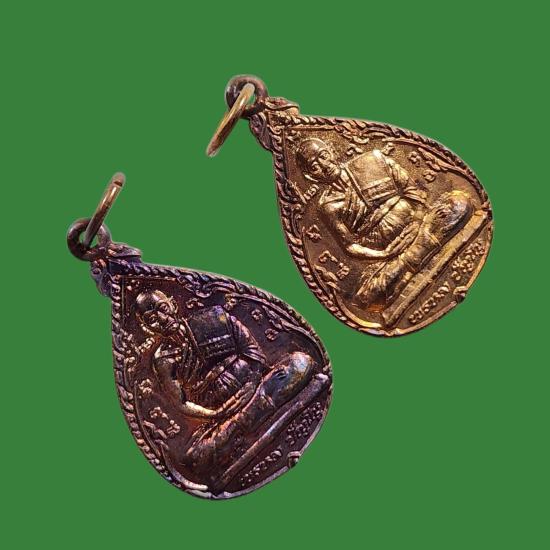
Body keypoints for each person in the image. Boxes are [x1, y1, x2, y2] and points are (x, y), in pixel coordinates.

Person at [135, 290, 314, 469]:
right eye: (152, 319)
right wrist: (215, 414)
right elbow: (181, 403)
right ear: (146, 327)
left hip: (257, 387)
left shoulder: (214, 318)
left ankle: (247, 421)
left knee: (300, 362)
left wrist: (252, 383)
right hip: (224, 415)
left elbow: (252, 350)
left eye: (163, 309)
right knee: (195, 459)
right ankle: (252, 416)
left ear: (173, 304)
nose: (163, 319)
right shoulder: (163, 360)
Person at [296, 139, 473, 309]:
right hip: (389, 255)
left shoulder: (372, 159)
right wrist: (384, 254)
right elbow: (350, 246)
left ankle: (411, 259)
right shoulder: (327, 207)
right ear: (310, 176)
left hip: (420, 225)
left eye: (323, 156)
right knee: (368, 299)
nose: (325, 166)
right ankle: (419, 252)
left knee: (460, 204)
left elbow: (413, 191)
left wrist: (418, 221)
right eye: (315, 166)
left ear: (332, 151)